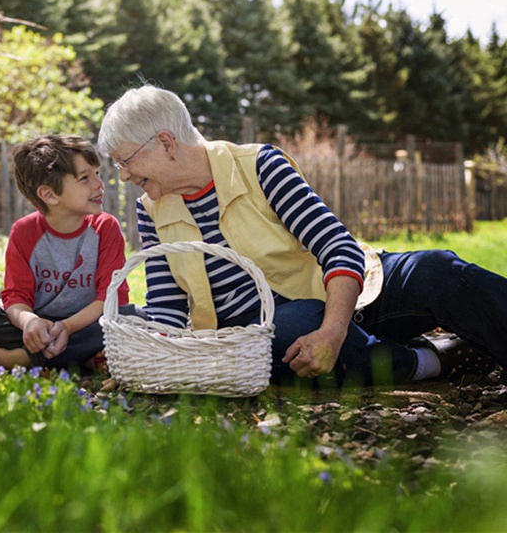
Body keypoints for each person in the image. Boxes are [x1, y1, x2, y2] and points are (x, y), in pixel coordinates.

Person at [97, 84, 505, 386]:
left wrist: (333, 330)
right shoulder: (150, 210)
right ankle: (427, 360)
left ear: (167, 143)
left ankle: (372, 344)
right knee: (292, 329)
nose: (125, 175)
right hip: (274, 331)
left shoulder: (259, 166)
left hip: (347, 298)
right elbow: (167, 306)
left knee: (438, 269)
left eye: (126, 161)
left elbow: (338, 247)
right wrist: (147, 357)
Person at [0, 134, 143, 371]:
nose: (98, 185)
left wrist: (68, 327)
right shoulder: (23, 232)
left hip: (88, 324)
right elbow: (16, 297)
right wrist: (30, 322)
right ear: (49, 195)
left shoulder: (106, 228)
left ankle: (19, 359)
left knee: (133, 318)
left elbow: (110, 299)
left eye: (97, 174)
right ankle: (85, 359)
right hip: (40, 328)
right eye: (84, 178)